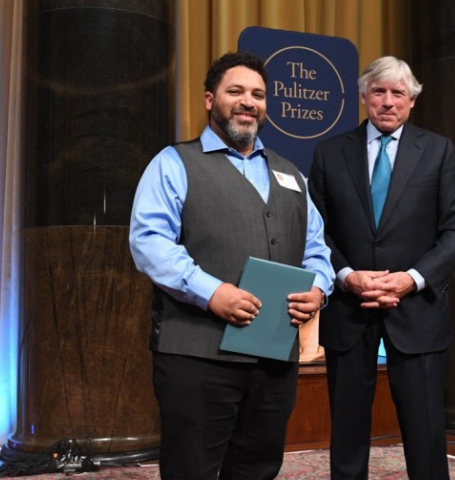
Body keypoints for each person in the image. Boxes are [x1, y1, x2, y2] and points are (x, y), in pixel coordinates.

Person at [129, 51, 335, 480]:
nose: (248, 102)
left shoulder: (293, 175)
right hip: (197, 355)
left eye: (258, 94)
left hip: (274, 357)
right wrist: (211, 291)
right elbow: (149, 241)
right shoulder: (173, 163)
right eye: (236, 91)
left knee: (258, 468)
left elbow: (316, 248)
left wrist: (319, 289)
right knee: (193, 469)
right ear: (210, 100)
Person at [308, 56, 455, 480]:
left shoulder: (438, 150)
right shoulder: (329, 153)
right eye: (378, 92)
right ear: (363, 98)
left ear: (412, 101)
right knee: (347, 431)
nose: (387, 102)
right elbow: (314, 232)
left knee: (426, 431)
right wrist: (347, 276)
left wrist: (410, 280)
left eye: (398, 93)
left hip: (417, 312)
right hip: (349, 311)